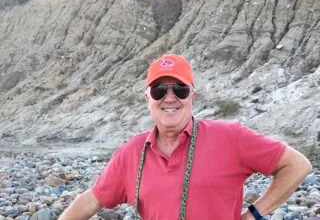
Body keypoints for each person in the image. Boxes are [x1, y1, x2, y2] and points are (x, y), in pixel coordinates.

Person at [58, 54, 313, 220]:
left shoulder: (230, 137)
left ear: (193, 96)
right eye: (159, 90)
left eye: (179, 89)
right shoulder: (132, 152)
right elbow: (91, 201)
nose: (169, 98)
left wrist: (254, 214)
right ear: (148, 99)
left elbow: (297, 165)